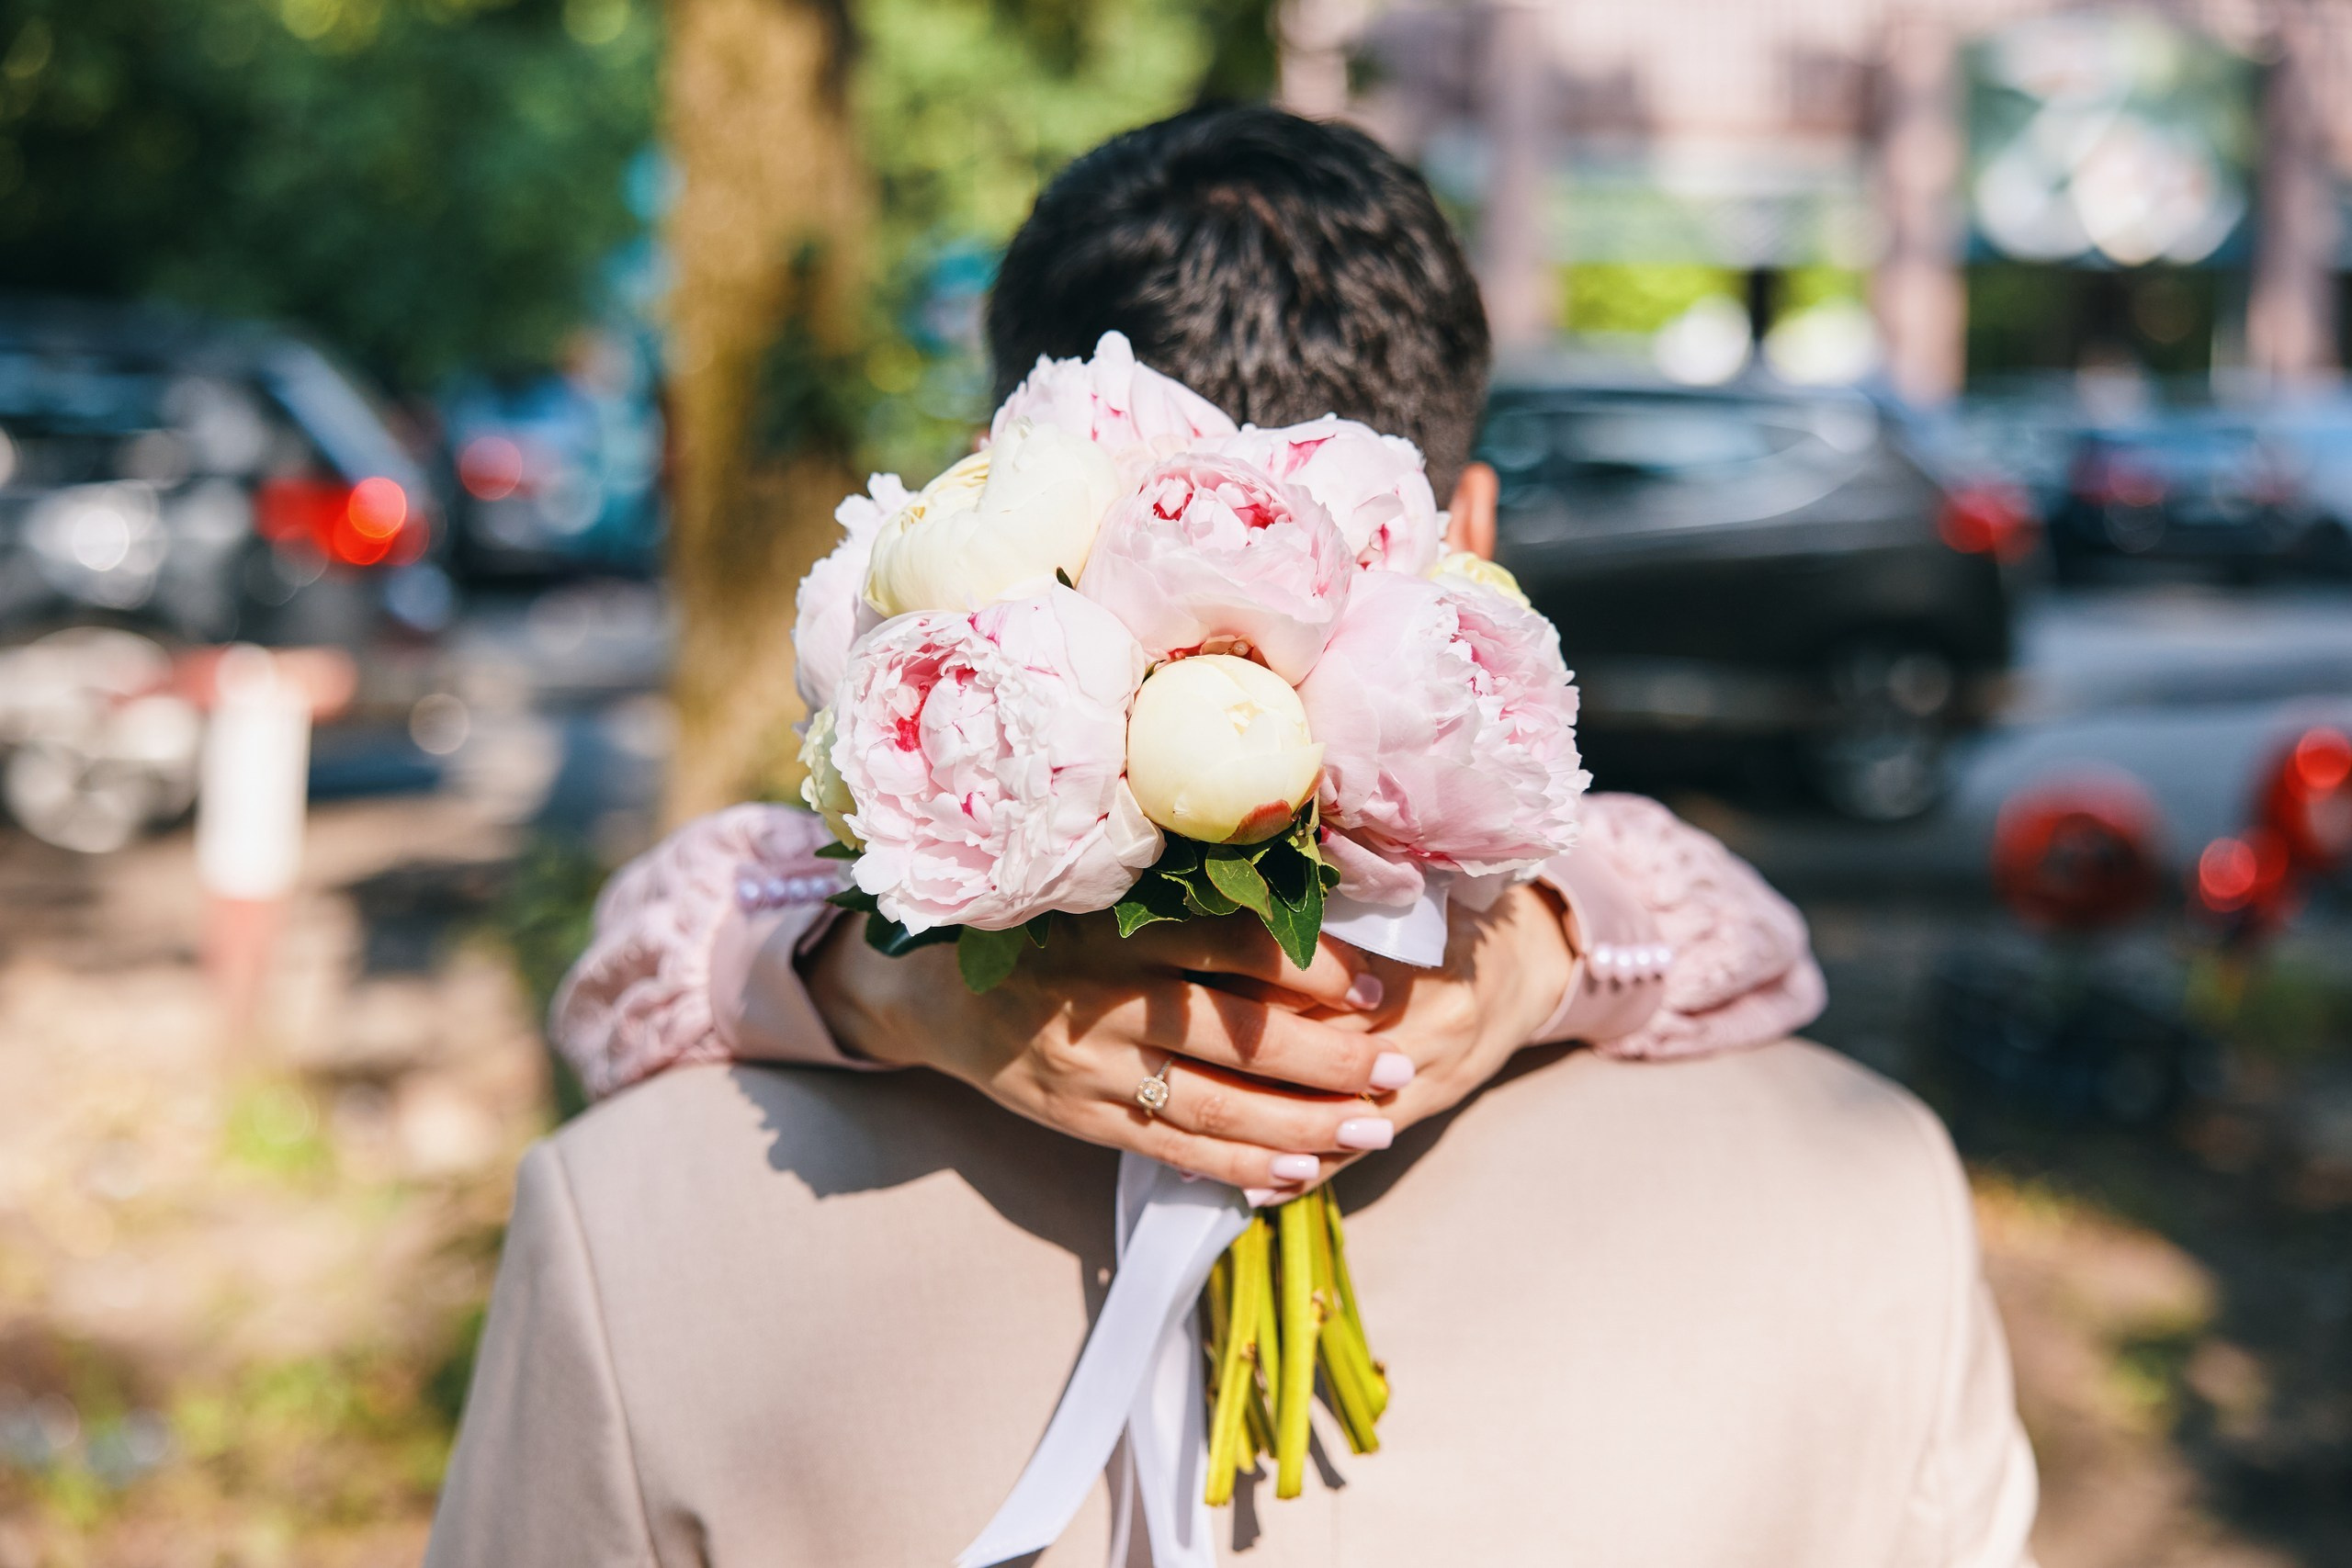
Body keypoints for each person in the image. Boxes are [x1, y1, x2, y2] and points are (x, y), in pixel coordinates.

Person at [425, 107, 2037, 1568]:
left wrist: (881, 987)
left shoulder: (631, 1226)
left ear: (1003, 512)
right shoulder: (1869, 1193)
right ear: (1466, 538)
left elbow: (658, 947)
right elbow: (1736, 927)